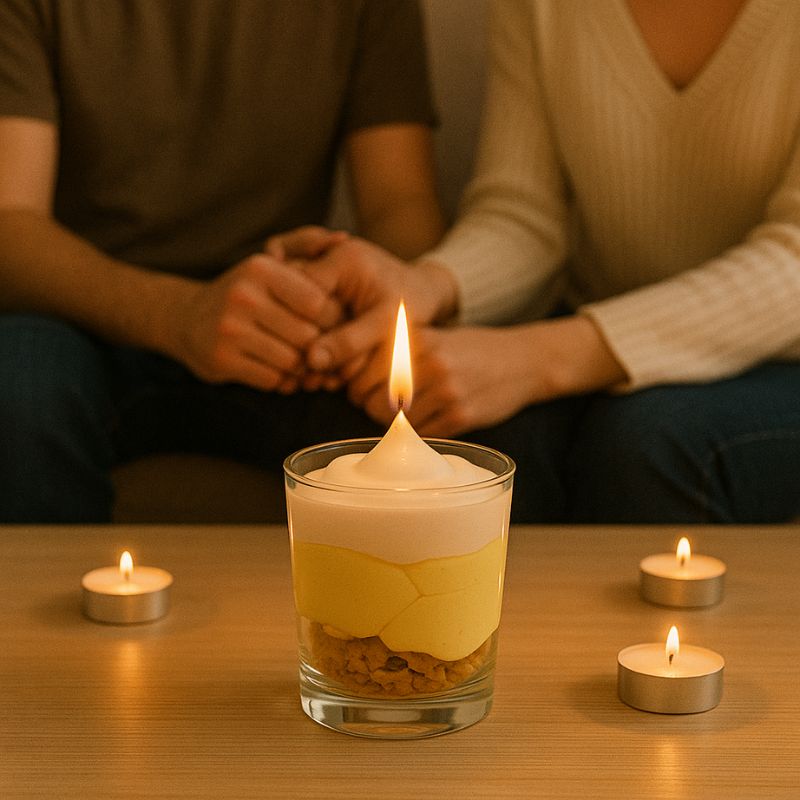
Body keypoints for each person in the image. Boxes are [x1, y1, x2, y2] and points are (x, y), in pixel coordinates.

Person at [280, 0, 800, 523]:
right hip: (597, 336)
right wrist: (429, 284)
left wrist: (539, 359)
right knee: (482, 440)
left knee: (649, 442)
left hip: (779, 358)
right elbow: (524, 214)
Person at [0, 0, 445, 522]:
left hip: (285, 326)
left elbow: (400, 206)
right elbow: (11, 222)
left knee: (452, 409)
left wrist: (348, 290)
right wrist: (181, 315)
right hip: (85, 315)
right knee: (17, 384)